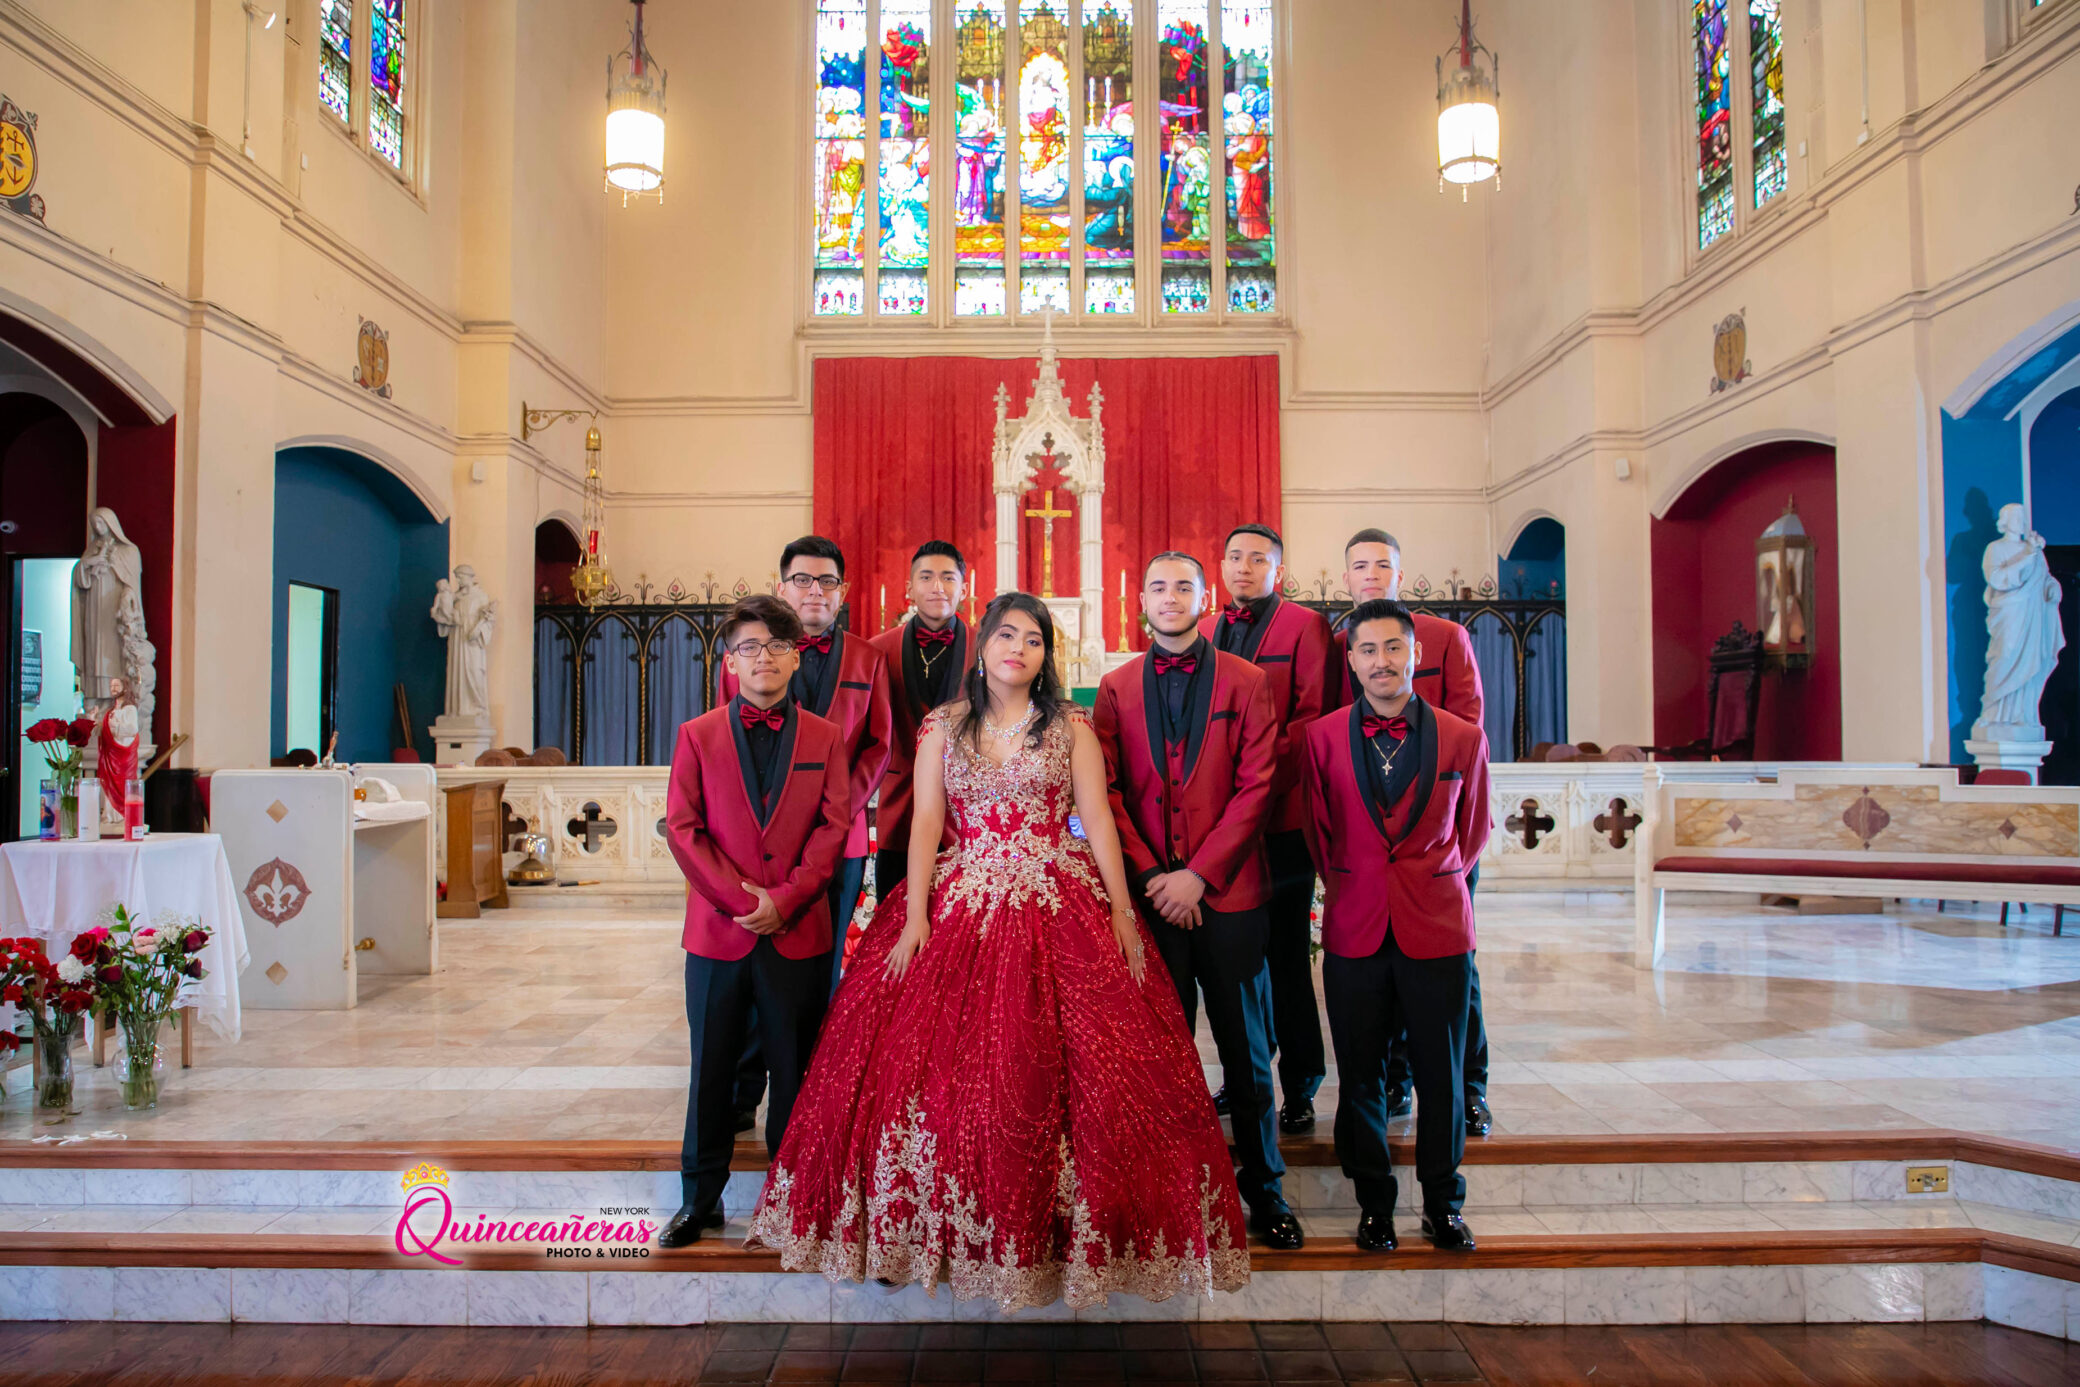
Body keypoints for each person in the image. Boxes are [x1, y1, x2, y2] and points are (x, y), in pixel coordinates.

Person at [747, 593, 1250, 1313]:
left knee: (1081, 1066)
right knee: (927, 1066)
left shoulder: (1071, 726)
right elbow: (926, 822)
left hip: (1060, 891)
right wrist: (914, 915)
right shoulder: (942, 725)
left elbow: (1097, 818)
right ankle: (924, 1232)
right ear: (981, 645)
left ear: (1047, 655)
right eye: (1006, 634)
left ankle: (1071, 1240)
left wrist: (1122, 910)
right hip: (964, 893)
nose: (1019, 647)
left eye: (1034, 639)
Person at [1094, 552, 1304, 1251]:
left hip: (1230, 897)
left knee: (1247, 1053)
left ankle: (1266, 1189)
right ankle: (1168, 1192)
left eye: (1183, 586)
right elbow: (1106, 792)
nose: (1171, 596)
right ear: (1141, 601)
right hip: (1153, 899)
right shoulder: (1116, 687)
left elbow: (1256, 786)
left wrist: (1200, 875)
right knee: (1161, 1053)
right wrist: (1156, 875)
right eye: (1158, 586)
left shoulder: (1247, 680)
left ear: (1203, 596)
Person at [658, 595, 852, 1249]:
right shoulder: (697, 734)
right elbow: (683, 828)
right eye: (749, 646)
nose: (763, 657)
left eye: (776, 645)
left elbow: (834, 827)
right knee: (711, 1069)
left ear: (795, 657)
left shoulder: (825, 737)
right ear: (730, 661)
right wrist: (744, 903)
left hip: (797, 931)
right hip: (719, 933)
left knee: (794, 1074)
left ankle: (791, 1203)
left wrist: (786, 899)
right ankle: (698, 1201)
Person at [1302, 599, 1491, 1254]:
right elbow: (1319, 833)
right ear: (1351, 661)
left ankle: (1443, 1203)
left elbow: (1472, 832)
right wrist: (1357, 881)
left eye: (1393, 647)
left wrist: (1429, 880)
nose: (1381, 661)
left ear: (1416, 654)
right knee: (1360, 1074)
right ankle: (1374, 1205)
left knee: (1441, 1072)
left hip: (1436, 926)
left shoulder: (1462, 738)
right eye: (1367, 650)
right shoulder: (1322, 738)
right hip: (1356, 924)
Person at [719, 537, 895, 1132]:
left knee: (820, 967)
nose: (814, 591)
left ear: (843, 593)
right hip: (758, 841)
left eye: (827, 582)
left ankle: (807, 1098)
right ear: (781, 586)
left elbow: (880, 745)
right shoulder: (748, 656)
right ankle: (742, 1093)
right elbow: (727, 741)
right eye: (802, 580)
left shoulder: (868, 659)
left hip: (837, 842)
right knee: (751, 960)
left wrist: (836, 810)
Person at [1331, 528, 1493, 1138]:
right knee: (1380, 968)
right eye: (1359, 566)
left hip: (1438, 839)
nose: (1370, 575)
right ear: (1345, 578)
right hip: (1371, 840)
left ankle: (1468, 1087)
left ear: (1401, 574)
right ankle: (1395, 1079)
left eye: (1382, 565)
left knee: (1452, 969)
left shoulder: (1445, 637)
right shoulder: (1340, 643)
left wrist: (1446, 848)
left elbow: (1468, 732)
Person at [1200, 523, 1332, 1136]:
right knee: (1235, 961)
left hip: (1279, 819)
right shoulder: (1204, 629)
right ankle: (1244, 1076)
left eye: (1258, 559)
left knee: (1286, 957)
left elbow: (1313, 720)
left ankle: (1301, 1083)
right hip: (1222, 825)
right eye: (1234, 557)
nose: (1244, 567)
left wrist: (1251, 775)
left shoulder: (1304, 627)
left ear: (1278, 569)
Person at [871, 542, 973, 897]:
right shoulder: (877, 650)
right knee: (893, 918)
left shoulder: (987, 648)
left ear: (964, 588)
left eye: (948, 578)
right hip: (901, 809)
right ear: (910, 587)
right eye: (926, 577)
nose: (937, 587)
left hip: (966, 818)